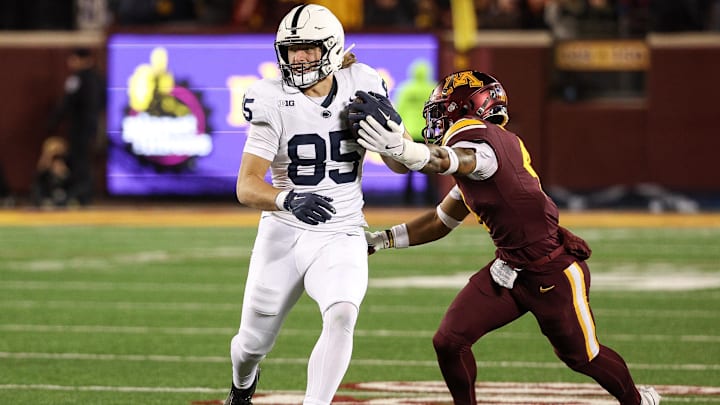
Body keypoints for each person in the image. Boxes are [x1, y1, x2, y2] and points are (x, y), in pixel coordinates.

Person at [353, 70, 661, 405]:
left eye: (442, 110)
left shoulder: (480, 148)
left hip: (551, 271)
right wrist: (380, 240)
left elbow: (445, 159)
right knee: (449, 340)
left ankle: (637, 401)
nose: (438, 121)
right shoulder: (486, 152)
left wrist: (403, 149)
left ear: (463, 109)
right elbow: (441, 221)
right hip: (510, 269)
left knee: (583, 357)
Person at [224, 4, 409, 405]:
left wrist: (393, 133)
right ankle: (242, 385)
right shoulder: (271, 98)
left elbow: (399, 164)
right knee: (250, 345)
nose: (298, 57)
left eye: (308, 47)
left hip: (342, 228)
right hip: (284, 230)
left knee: (342, 313)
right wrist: (287, 198)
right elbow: (246, 186)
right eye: (292, 49)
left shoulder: (363, 81)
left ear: (332, 46)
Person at [47, 47, 104, 206]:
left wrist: (53, 123)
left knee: (80, 162)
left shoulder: (78, 79)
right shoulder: (99, 78)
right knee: (85, 161)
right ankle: (84, 195)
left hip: (80, 127)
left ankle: (79, 195)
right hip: (94, 126)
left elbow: (66, 103)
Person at [393, 59, 438, 206]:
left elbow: (397, 112)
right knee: (430, 167)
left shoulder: (405, 89)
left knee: (409, 168)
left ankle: (408, 201)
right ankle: (431, 200)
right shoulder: (433, 89)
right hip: (427, 134)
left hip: (410, 133)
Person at [31, 136, 72, 207]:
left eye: (57, 153)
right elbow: (36, 195)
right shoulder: (42, 177)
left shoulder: (74, 174)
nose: (54, 158)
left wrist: (64, 175)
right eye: (49, 154)